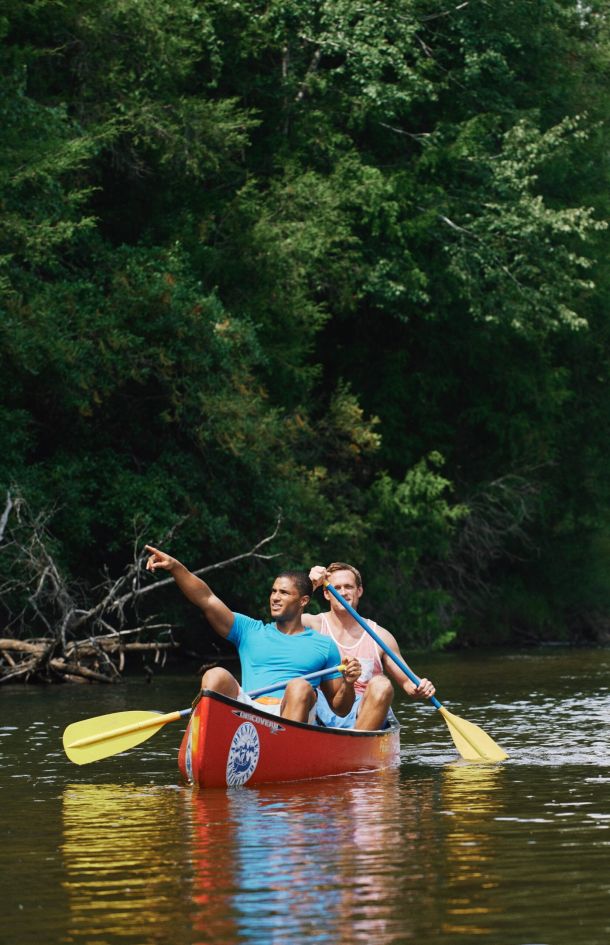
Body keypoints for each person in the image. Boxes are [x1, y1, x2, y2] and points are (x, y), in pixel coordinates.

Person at [145, 545, 362, 724]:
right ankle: (203, 743)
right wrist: (176, 568)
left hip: (293, 713)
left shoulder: (324, 645)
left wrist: (349, 683)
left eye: (284, 593)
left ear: (303, 601)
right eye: (273, 591)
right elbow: (207, 599)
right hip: (249, 711)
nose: (275, 597)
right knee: (215, 675)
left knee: (299, 686)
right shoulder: (250, 630)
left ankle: (283, 752)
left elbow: (340, 709)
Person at [303, 562, 436, 730]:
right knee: (300, 685)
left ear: (359, 591)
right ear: (326, 594)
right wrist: (310, 585)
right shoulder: (310, 625)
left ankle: (356, 741)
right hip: (320, 709)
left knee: (382, 684)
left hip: (364, 712)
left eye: (348, 587)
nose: (342, 593)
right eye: (336, 588)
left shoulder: (381, 636)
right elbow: (283, 620)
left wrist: (421, 687)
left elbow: (409, 684)